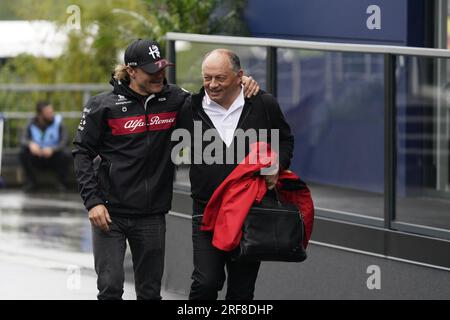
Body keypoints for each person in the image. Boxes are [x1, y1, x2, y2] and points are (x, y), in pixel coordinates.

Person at [72, 39, 259, 300]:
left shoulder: (176, 99)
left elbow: (214, 99)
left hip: (152, 214)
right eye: (152, 70)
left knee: (150, 293)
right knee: (111, 288)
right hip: (109, 212)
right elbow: (81, 153)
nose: (159, 74)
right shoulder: (101, 106)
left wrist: (244, 84)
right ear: (132, 71)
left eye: (162, 68)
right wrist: (92, 202)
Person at [176, 49, 294, 300]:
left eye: (220, 78)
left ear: (240, 76)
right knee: (206, 282)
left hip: (249, 211)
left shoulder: (263, 103)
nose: (212, 85)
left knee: (241, 290)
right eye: (207, 78)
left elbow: (285, 140)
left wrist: (277, 164)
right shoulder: (190, 108)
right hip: (206, 210)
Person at [20, 101, 69, 192]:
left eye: (52, 112)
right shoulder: (30, 123)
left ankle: (60, 183)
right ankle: (31, 182)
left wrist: (53, 149)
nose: (52, 114)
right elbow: (23, 139)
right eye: (48, 113)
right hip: (37, 156)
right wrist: (30, 144)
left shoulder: (59, 122)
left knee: (66, 153)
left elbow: (64, 141)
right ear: (40, 115)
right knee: (23, 152)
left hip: (53, 156)